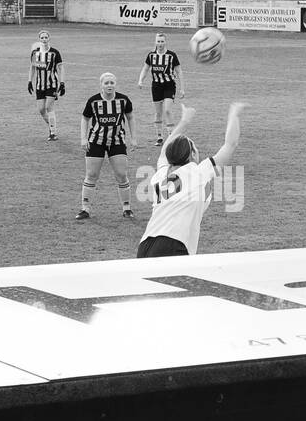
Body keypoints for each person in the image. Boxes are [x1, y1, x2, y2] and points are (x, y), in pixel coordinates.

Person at [137, 102, 247, 257]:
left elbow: (164, 150)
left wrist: (184, 121)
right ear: (192, 154)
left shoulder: (161, 174)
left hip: (145, 245)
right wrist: (234, 113)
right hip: (173, 245)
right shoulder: (198, 172)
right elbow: (230, 144)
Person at [76, 73, 134, 220]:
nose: (109, 85)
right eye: (106, 83)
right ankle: (85, 209)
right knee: (91, 175)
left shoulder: (123, 100)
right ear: (101, 85)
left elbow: (130, 117)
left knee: (121, 174)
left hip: (117, 142)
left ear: (116, 84)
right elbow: (85, 118)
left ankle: (127, 209)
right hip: (96, 141)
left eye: (112, 83)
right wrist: (83, 138)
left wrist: (133, 138)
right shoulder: (93, 101)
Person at [137, 33, 186, 146]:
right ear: (155, 42)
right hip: (156, 86)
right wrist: (140, 80)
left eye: (162, 41)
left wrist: (182, 88)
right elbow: (145, 69)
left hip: (169, 85)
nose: (160, 44)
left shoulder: (172, 55)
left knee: (168, 110)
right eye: (158, 41)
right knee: (158, 112)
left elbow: (179, 71)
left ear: (165, 42)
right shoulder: (151, 56)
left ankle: (171, 136)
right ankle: (159, 137)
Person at [29, 29, 65, 140]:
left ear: (49, 38)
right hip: (40, 85)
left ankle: (53, 134)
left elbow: (60, 67)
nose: (44, 39)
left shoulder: (55, 52)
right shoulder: (35, 53)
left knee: (49, 107)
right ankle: (52, 127)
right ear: (39, 39)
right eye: (42, 38)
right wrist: (30, 81)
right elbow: (33, 67)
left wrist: (62, 82)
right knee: (41, 110)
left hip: (52, 84)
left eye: (46, 37)